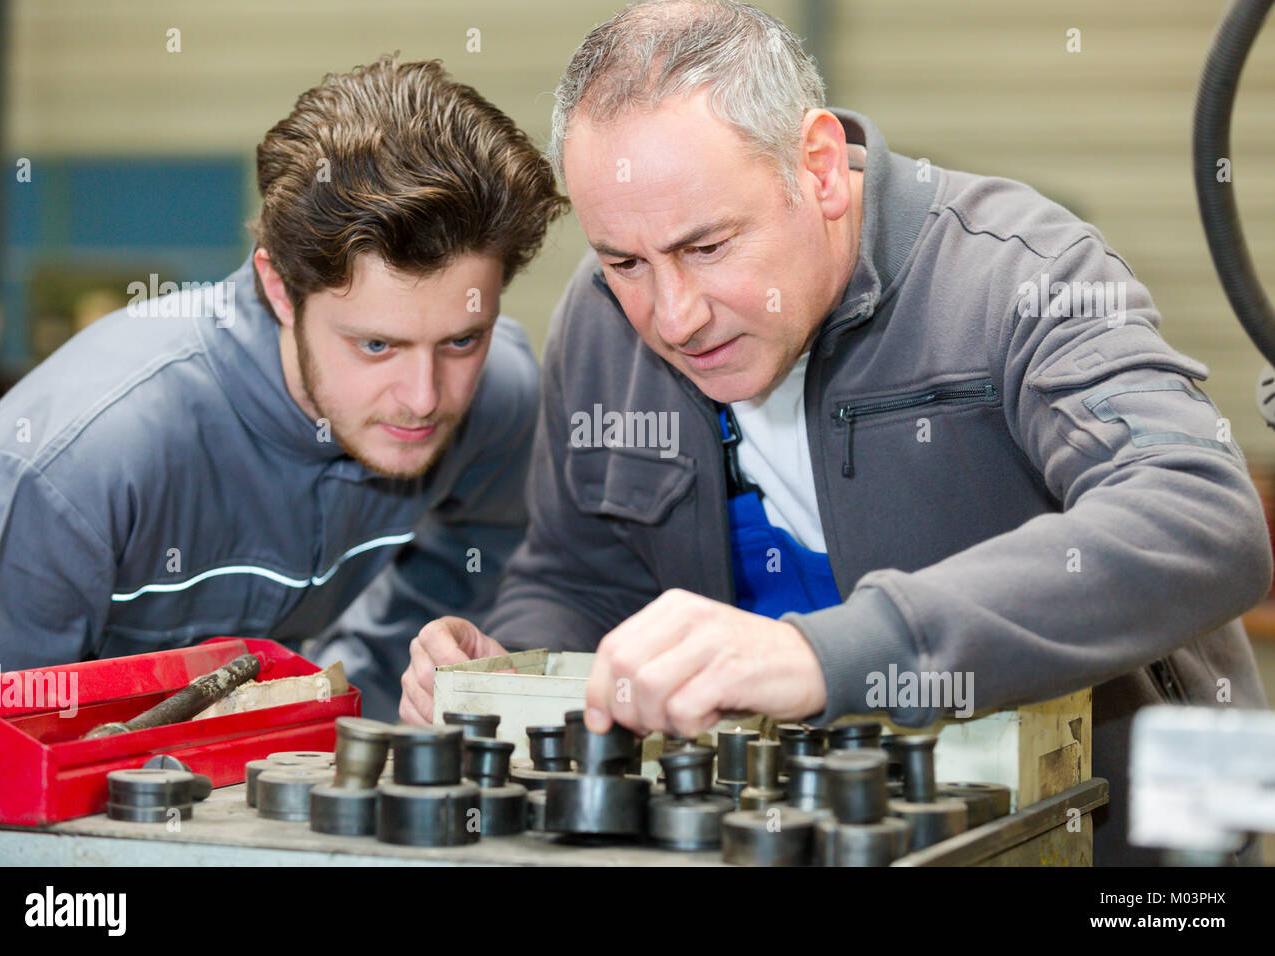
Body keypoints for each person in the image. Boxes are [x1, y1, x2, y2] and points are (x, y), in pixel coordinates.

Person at [398, 1, 1271, 864]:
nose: (673, 315)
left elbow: (1200, 519)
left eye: (708, 247)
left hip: (1114, 843)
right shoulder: (602, 325)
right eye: (626, 260)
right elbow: (582, 577)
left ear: (817, 168)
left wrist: (827, 655)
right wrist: (510, 664)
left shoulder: (1019, 277)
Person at [0, 56, 568, 721]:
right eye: (376, 344)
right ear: (281, 287)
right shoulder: (75, 466)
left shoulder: (500, 400)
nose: (425, 397)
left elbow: (481, 565)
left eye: (461, 339)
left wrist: (361, 706)